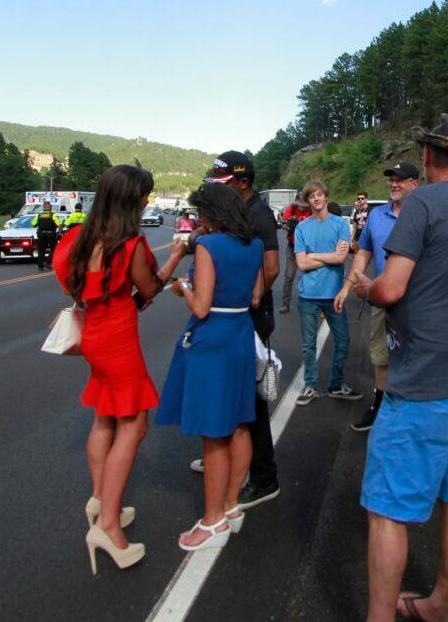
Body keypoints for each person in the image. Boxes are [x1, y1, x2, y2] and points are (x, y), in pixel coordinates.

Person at [351, 114, 448, 622]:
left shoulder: (420, 203)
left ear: (427, 157)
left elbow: (391, 287)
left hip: (424, 381)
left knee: (387, 510)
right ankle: (443, 603)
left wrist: (367, 288)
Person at [52, 165, 183, 575]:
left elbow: (70, 278)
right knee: (135, 425)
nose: (147, 200)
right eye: (145, 194)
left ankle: (100, 500)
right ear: (132, 200)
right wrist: (177, 253)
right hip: (119, 342)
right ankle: (108, 526)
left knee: (105, 415)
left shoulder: (81, 237)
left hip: (93, 336)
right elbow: (148, 290)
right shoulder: (131, 245)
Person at [157, 183, 264, 550]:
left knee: (213, 433)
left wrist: (182, 287)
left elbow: (201, 307)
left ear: (212, 214)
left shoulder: (208, 245)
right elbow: (256, 295)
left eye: (201, 212)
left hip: (212, 339)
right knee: (238, 423)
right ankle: (232, 505)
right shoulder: (254, 245)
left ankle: (212, 520)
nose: (199, 219)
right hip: (240, 334)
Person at [190, 151, 283, 510]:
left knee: (253, 404)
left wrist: (242, 297)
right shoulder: (236, 214)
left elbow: (271, 267)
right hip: (236, 315)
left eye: (224, 183)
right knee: (232, 395)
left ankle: (264, 477)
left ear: (243, 183)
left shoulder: (259, 215)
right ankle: (225, 458)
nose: (219, 189)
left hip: (248, 317)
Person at [335, 162, 420, 432]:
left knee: (414, 358)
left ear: (414, 184)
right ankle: (380, 408)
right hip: (382, 300)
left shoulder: (423, 215)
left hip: (416, 303)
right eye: (392, 180)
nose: (394, 184)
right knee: (380, 357)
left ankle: (410, 412)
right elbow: (363, 255)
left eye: (401, 180)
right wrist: (346, 287)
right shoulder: (376, 215)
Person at [294, 179, 360, 405]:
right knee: (308, 344)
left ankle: (335, 385)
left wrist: (313, 255)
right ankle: (310, 385)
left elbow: (341, 257)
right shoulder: (302, 228)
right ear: (308, 200)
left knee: (343, 341)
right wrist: (327, 256)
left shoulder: (340, 225)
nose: (317, 199)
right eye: (312, 196)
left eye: (320, 194)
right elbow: (301, 265)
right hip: (308, 296)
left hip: (334, 294)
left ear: (326, 196)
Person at [279, 193, 311, 314]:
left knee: (307, 276)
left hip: (308, 248)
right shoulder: (291, 209)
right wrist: (288, 226)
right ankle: (285, 303)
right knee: (289, 275)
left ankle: (308, 303)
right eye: (300, 205)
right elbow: (284, 224)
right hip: (292, 247)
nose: (302, 207)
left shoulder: (312, 211)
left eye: (304, 205)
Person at [33, 200, 61, 272]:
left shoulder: (39, 215)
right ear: (50, 207)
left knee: (41, 250)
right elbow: (59, 225)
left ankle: (40, 266)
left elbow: (33, 224)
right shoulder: (53, 215)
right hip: (51, 234)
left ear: (43, 207)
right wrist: (60, 232)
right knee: (54, 248)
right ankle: (48, 261)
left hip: (41, 234)